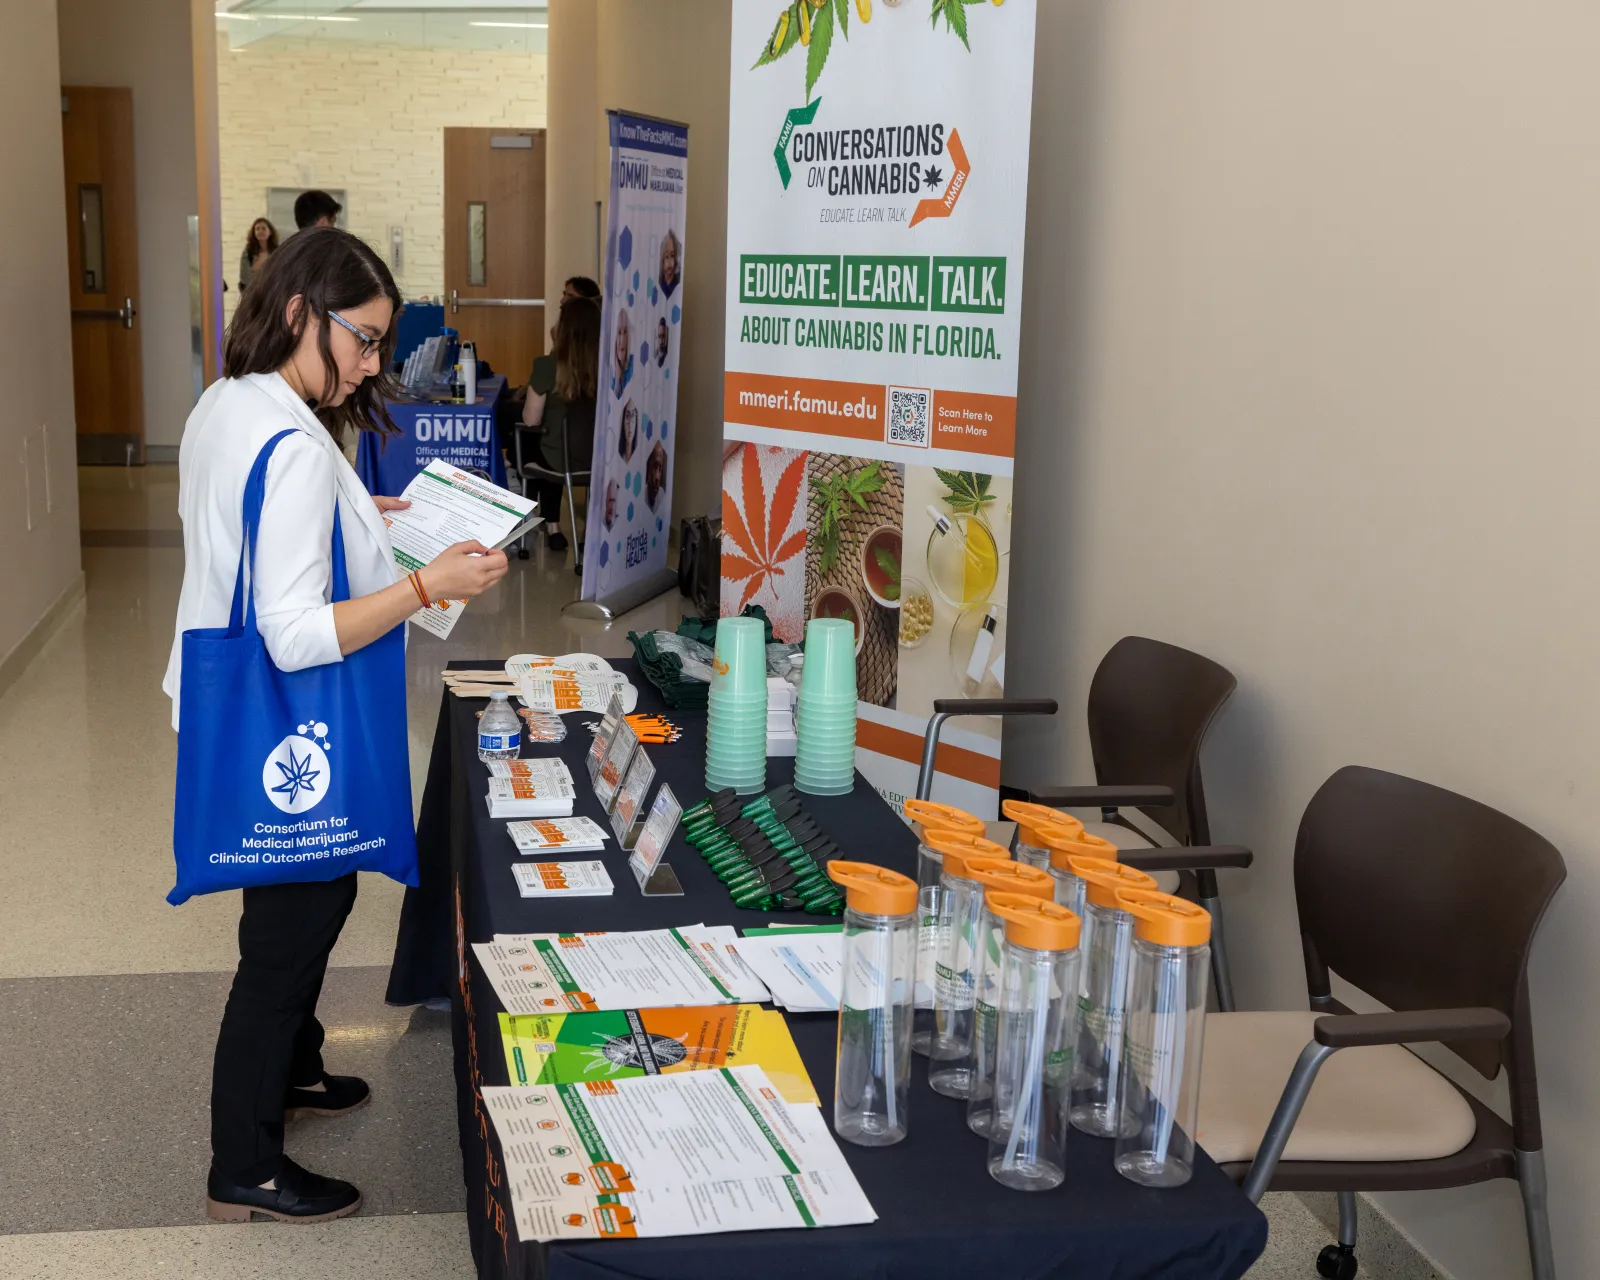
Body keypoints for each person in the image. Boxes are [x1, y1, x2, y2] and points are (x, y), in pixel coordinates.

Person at [164, 227, 508, 1224]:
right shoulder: (293, 440)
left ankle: (298, 1066)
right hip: (281, 725)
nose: (369, 363)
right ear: (299, 314)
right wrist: (422, 582)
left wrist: (371, 510)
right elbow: (295, 632)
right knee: (293, 925)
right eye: (361, 340)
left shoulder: (231, 403)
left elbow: (258, 521)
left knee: (290, 906)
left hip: (221, 708)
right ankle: (245, 1158)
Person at [521, 295, 600, 555]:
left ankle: (552, 527)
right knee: (552, 444)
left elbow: (530, 419)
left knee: (533, 440)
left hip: (557, 462)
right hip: (599, 460)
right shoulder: (611, 369)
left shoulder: (547, 366)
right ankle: (587, 532)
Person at [238, 218, 279, 294]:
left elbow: (280, 274)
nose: (260, 231)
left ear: (270, 232)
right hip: (252, 293)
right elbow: (244, 277)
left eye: (263, 228)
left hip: (272, 293)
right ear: (254, 233)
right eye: (257, 229)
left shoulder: (277, 251)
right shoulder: (248, 252)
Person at [611, 309, 633, 399]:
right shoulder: (611, 378)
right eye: (619, 333)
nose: (622, 340)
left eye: (625, 332)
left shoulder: (634, 366)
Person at [645, 440, 668, 511]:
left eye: (660, 468)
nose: (657, 477)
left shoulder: (662, 495)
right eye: (655, 467)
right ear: (649, 467)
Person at [658, 229, 681, 298]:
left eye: (672, 256)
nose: (669, 261)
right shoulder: (659, 285)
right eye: (666, 256)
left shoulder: (678, 285)